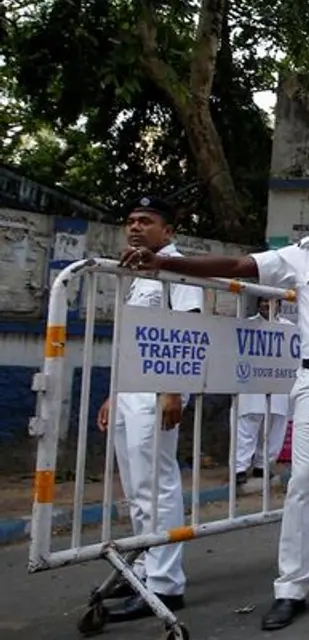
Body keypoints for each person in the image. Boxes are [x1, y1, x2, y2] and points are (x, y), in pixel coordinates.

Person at [119, 180, 309, 630]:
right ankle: (292, 587)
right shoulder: (302, 257)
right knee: (305, 480)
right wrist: (165, 262)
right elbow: (238, 265)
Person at [95, 195, 204, 623]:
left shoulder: (177, 267)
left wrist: (173, 389)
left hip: (159, 390)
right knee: (137, 488)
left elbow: (187, 327)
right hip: (131, 389)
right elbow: (133, 339)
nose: (135, 227)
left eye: (146, 220)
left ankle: (165, 584)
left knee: (156, 486)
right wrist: (115, 392)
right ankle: (143, 566)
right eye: (131, 220)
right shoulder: (138, 272)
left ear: (168, 231)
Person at [235, 296, 293, 488]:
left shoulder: (290, 328)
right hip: (252, 384)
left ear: (280, 305)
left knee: (275, 426)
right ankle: (239, 468)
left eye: (271, 301)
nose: (266, 305)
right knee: (247, 425)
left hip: (278, 385)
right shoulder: (247, 325)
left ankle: (263, 465)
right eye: (263, 301)